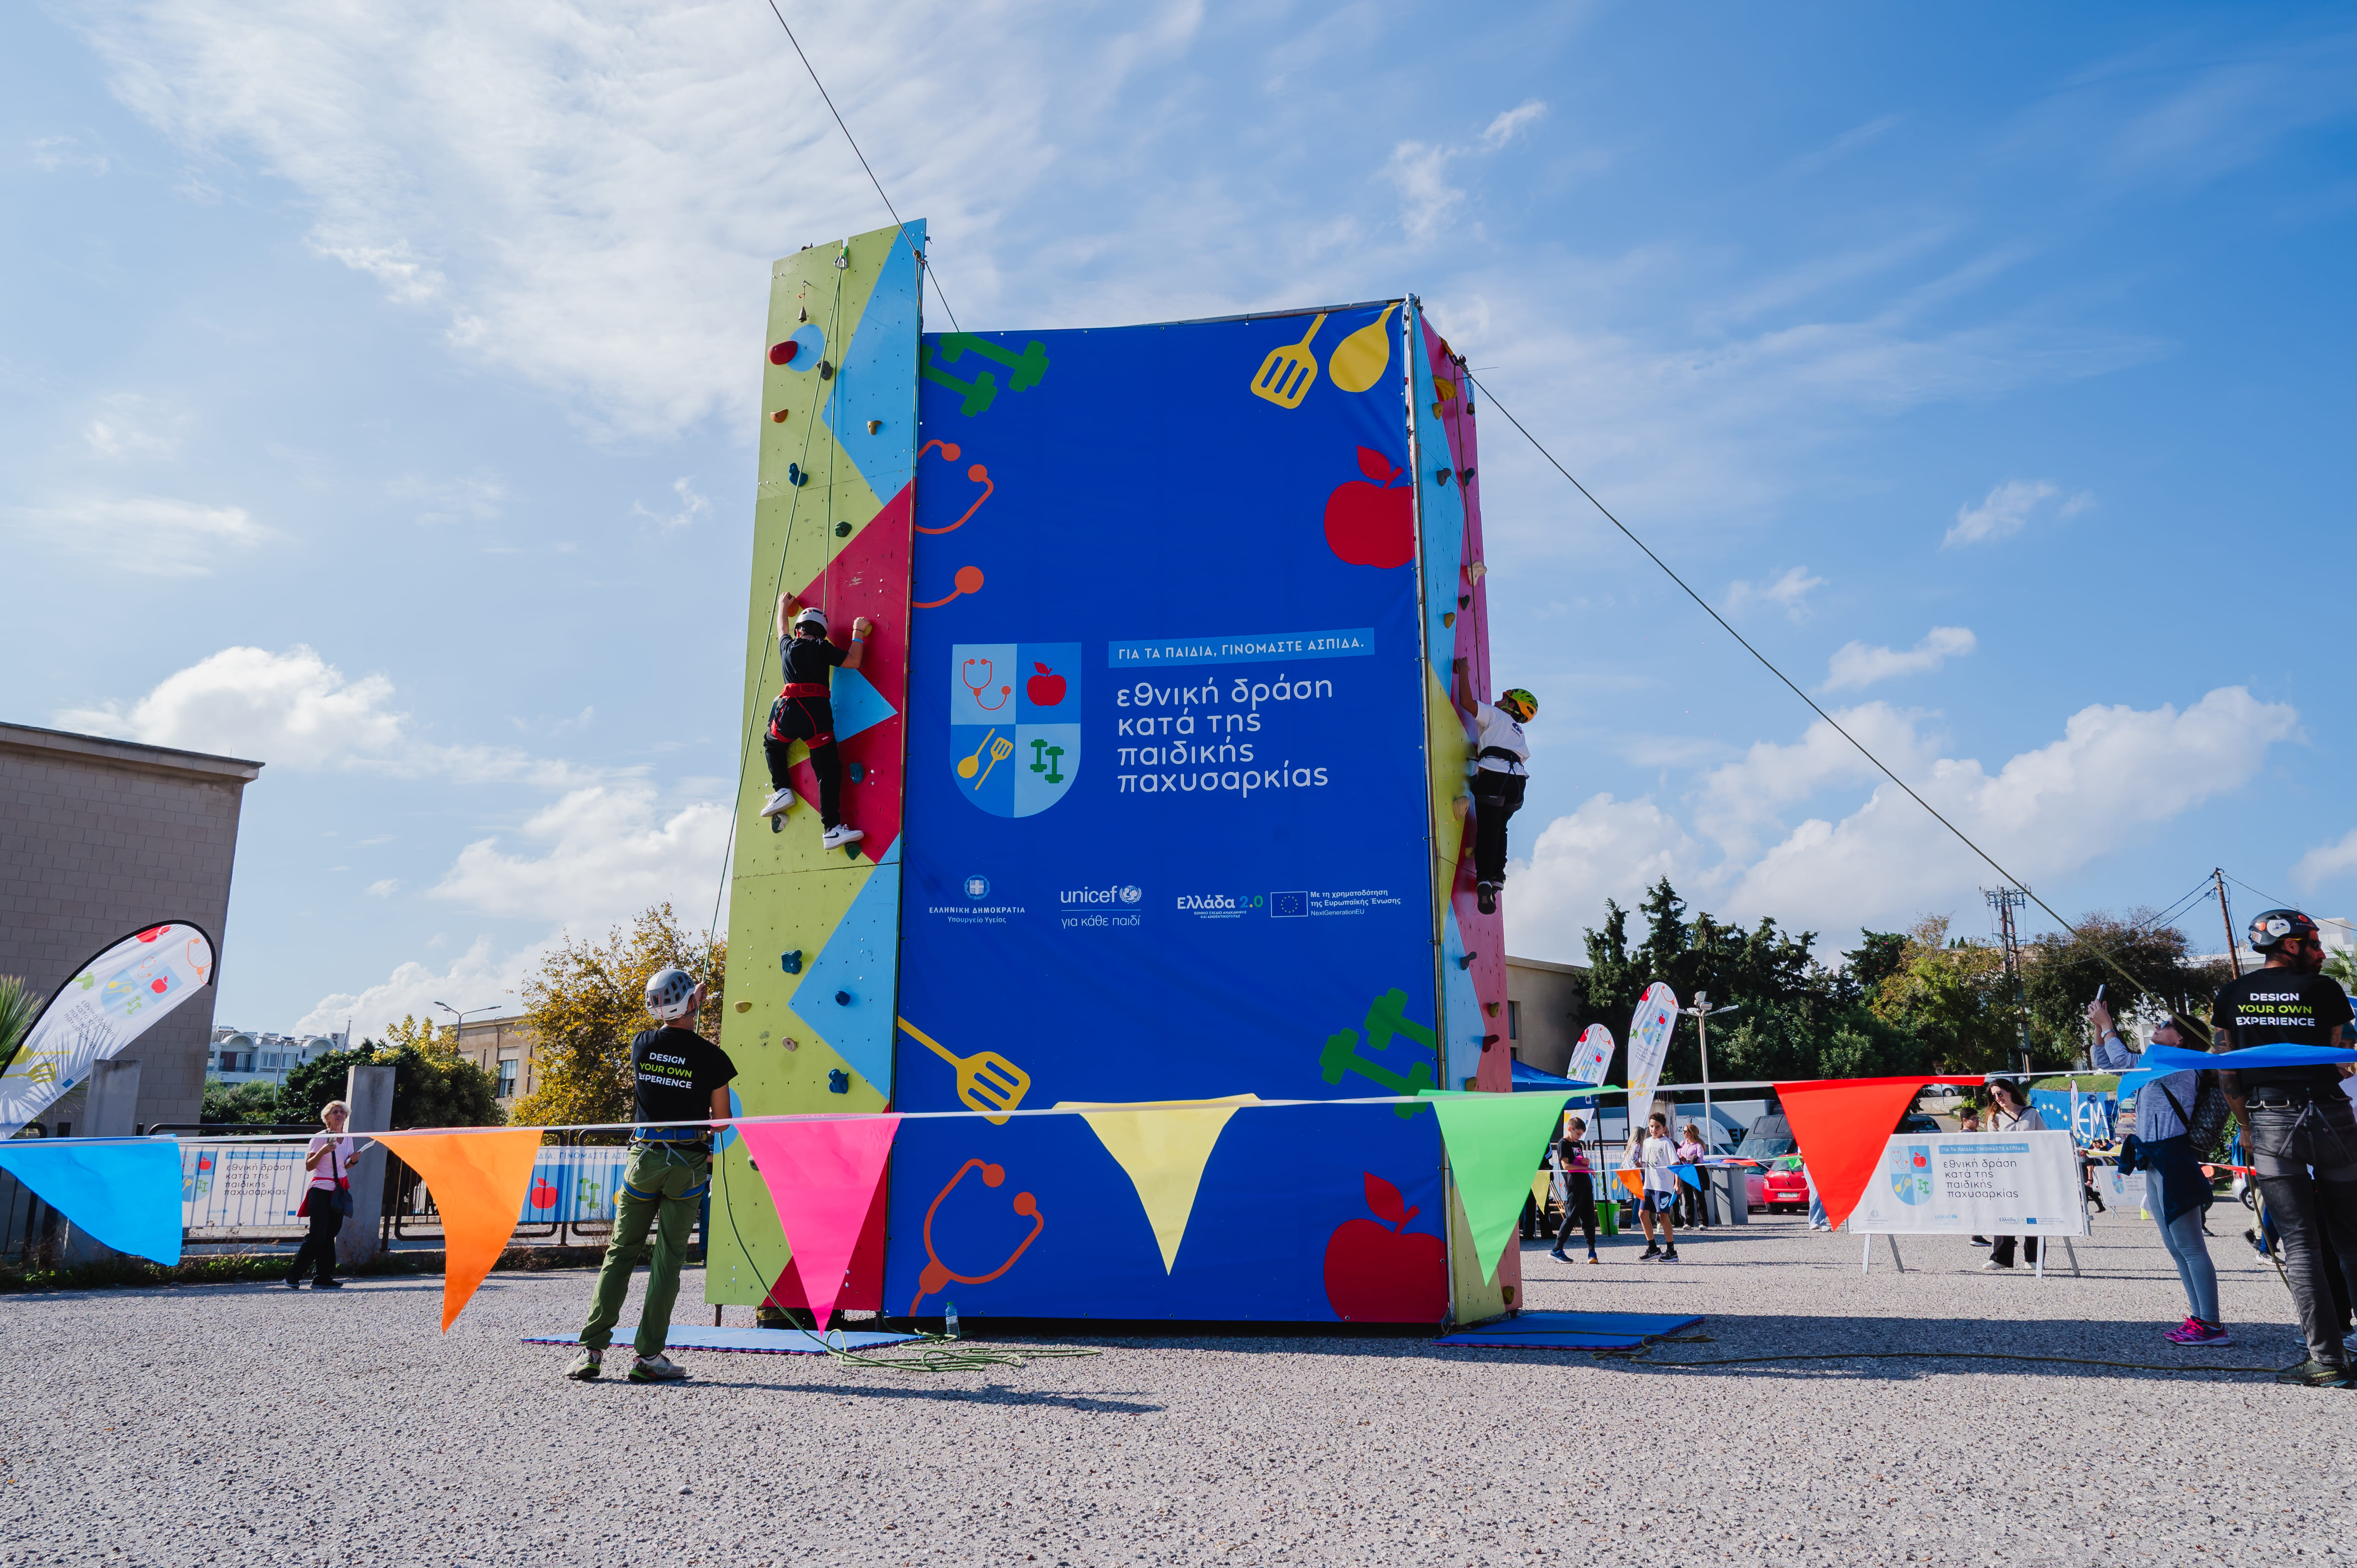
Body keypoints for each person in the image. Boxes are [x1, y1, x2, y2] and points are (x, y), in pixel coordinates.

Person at [569, 968, 738, 1383]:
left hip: (642, 1160)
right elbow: (722, 1122)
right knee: (668, 1261)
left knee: (620, 1253)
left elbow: (670, 1038)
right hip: (685, 1167)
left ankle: (591, 1352)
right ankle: (648, 1358)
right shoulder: (713, 1058)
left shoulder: (641, 1045)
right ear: (691, 1003)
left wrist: (691, 1001)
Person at [2212, 907, 2357, 1388]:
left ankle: (2327, 1360)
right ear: (2289, 944)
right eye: (2313, 943)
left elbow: (2227, 1071)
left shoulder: (2231, 994)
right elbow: (2339, 1056)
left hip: (2271, 1118)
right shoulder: (2325, 990)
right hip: (2333, 1115)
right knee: (2351, 1238)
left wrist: (2244, 1127)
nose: (2321, 953)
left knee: (2299, 1243)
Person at [2089, 999, 2227, 1345]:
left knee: (2191, 1247)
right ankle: (2200, 1319)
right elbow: (2105, 1061)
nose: (2158, 1027)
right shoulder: (2160, 1062)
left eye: (2166, 1025)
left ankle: (2212, 1325)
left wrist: (2109, 1026)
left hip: (2172, 1157)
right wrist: (2099, 1029)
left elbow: (2123, 1060)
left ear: (2181, 1039)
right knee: (2176, 1247)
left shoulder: (2177, 1062)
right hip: (2155, 1157)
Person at [758, 594, 876, 850]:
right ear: (822, 633)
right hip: (816, 716)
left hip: (789, 711)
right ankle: (832, 830)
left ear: (798, 630)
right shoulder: (822, 648)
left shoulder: (787, 647)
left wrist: (782, 606)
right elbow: (854, 661)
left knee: (773, 744)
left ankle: (782, 790)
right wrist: (857, 631)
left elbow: (781, 628)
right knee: (827, 771)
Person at [1450, 658, 1534, 916]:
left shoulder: (1497, 715)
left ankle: (1485, 879)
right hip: (1517, 784)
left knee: (1488, 830)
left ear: (1511, 706)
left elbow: (1467, 703)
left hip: (1495, 777)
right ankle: (1498, 877)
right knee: (1500, 828)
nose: (1499, 699)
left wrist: (1463, 672)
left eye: (1505, 698)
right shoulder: (1518, 732)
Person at [286, 1100, 355, 1291]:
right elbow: (310, 1166)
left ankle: (322, 1278)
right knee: (317, 1235)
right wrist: (323, 1151)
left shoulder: (348, 1138)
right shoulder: (320, 1138)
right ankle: (293, 1276)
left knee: (330, 1234)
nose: (340, 1115)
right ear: (327, 1118)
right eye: (335, 1112)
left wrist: (354, 1161)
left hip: (339, 1190)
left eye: (342, 1112)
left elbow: (345, 1165)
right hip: (320, 1190)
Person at [1982, 1079, 2047, 1270]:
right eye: (1994, 1096)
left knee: (2033, 1213)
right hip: (2006, 1172)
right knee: (2005, 1212)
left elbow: (2045, 1139)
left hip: (2032, 1171)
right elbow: (1992, 1147)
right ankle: (2001, 1258)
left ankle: (2033, 1258)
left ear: (2010, 1091)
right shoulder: (1995, 1118)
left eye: (2000, 1093)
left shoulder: (2031, 1113)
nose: (1998, 1098)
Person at [1550, 1119, 1600, 1263]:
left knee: (1589, 1219)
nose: (1579, 1137)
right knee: (1571, 1217)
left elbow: (1577, 1161)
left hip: (1586, 1184)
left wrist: (1586, 1162)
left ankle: (1592, 1252)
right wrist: (1586, 1168)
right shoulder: (1563, 1143)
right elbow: (1566, 1165)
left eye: (1581, 1135)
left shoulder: (1578, 1144)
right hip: (1574, 1185)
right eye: (1578, 1134)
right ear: (1570, 1129)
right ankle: (1557, 1249)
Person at [1637, 1112, 1682, 1262]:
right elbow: (1645, 1164)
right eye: (1652, 1126)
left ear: (1664, 1128)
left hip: (1663, 1186)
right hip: (1649, 1185)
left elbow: (1676, 1165)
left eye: (1657, 1127)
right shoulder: (1647, 1142)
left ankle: (1671, 1251)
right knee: (1642, 1214)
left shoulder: (1667, 1143)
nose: (1654, 1130)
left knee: (1663, 1216)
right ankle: (1653, 1249)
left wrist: (1677, 1184)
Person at [1675, 1122, 1708, 1228]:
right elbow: (1678, 1155)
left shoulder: (1698, 1146)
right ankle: (1689, 1222)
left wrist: (1687, 1160)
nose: (1684, 1133)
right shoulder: (1683, 1144)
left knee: (1700, 1198)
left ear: (1692, 1133)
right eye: (1684, 1131)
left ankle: (1703, 1222)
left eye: (1686, 1131)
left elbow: (1700, 1160)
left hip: (1696, 1172)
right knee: (1688, 1198)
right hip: (1685, 1172)